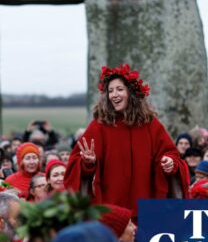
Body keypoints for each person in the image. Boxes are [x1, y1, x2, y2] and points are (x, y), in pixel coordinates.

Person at [65, 63, 190, 217]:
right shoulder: (99, 125)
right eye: (110, 91)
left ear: (131, 92)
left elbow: (171, 154)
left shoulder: (150, 124)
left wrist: (170, 163)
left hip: (145, 211)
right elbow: (76, 164)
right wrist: (88, 163)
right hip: (110, 213)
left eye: (119, 89)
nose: (114, 95)